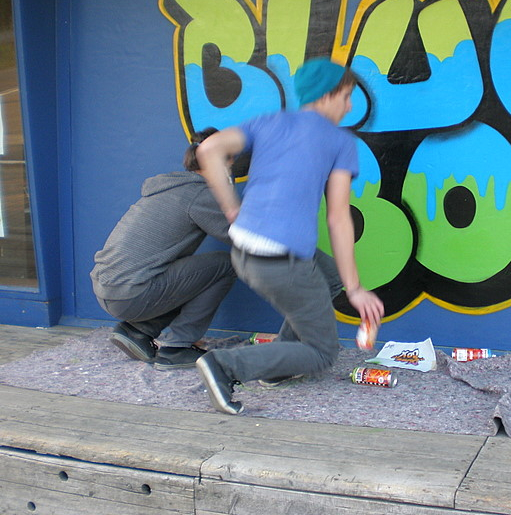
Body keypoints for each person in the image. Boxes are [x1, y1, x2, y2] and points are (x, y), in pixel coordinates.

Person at [194, 57, 384, 415]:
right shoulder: (340, 141)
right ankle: (225, 366)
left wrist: (232, 208)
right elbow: (338, 218)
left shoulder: (269, 122)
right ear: (328, 95)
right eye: (346, 96)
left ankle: (278, 365)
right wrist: (357, 289)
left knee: (328, 276)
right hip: (281, 262)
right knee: (322, 351)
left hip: (244, 252)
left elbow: (208, 149)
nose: (350, 106)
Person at [90, 128, 237, 370]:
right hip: (132, 293)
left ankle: (138, 331)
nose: (232, 169)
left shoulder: (170, 188)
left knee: (188, 274)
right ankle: (177, 347)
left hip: (109, 288)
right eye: (231, 162)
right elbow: (243, 238)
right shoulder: (201, 194)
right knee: (227, 264)